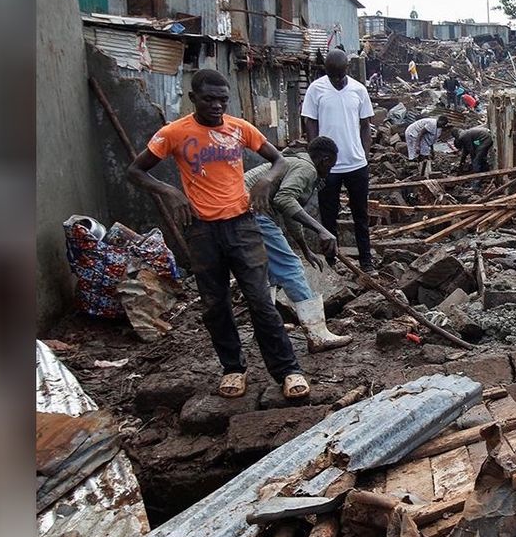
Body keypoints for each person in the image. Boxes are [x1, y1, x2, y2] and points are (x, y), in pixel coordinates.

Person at [127, 69, 309, 401]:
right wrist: (170, 191)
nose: (216, 106)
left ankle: (288, 370)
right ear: (193, 98)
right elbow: (136, 171)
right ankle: (233, 369)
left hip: (242, 224)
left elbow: (279, 160)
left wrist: (267, 180)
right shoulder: (174, 133)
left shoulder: (239, 129)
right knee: (215, 304)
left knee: (260, 300)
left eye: (222, 100)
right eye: (209, 99)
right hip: (201, 230)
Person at [244, 136, 353, 353]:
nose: (330, 171)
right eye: (330, 166)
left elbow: (289, 213)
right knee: (290, 267)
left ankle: (266, 328)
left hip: (242, 209)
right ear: (324, 160)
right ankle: (318, 334)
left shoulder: (296, 162)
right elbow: (285, 200)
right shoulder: (307, 168)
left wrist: (306, 249)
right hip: (252, 211)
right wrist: (321, 230)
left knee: (269, 272)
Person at [301, 49, 376, 272]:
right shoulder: (316, 89)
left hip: (356, 164)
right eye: (331, 75)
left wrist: (364, 154)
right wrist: (315, 156)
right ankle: (332, 262)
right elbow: (310, 122)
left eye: (339, 75)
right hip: (328, 168)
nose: (336, 79)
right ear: (326, 71)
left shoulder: (359, 90)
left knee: (361, 215)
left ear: (347, 69)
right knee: (328, 215)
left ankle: (366, 261)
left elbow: (365, 125)